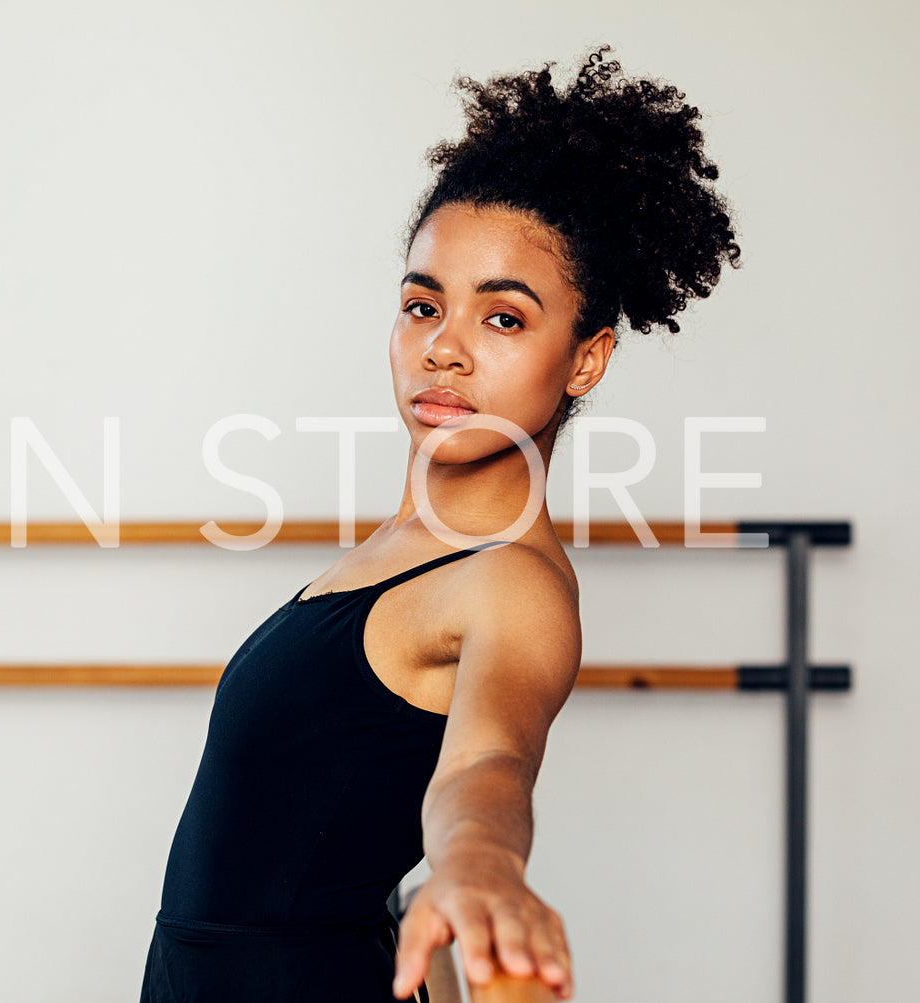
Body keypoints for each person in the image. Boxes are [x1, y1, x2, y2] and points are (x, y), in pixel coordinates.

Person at [139, 44, 741, 1003]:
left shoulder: (510, 580)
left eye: (503, 319)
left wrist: (477, 866)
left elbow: (488, 761)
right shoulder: (403, 545)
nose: (445, 349)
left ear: (584, 360)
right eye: (424, 305)